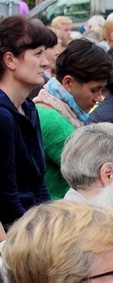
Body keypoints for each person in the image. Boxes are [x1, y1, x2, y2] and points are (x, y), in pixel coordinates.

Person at [35, 39, 113, 199]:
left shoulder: (49, 108)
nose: (99, 98)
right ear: (68, 82)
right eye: (94, 90)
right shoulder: (54, 121)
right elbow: (97, 173)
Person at [0, 16, 52, 230]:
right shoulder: (2, 116)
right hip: (17, 235)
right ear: (10, 60)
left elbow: (38, 184)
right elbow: (7, 202)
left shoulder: (28, 108)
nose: (45, 62)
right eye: (38, 53)